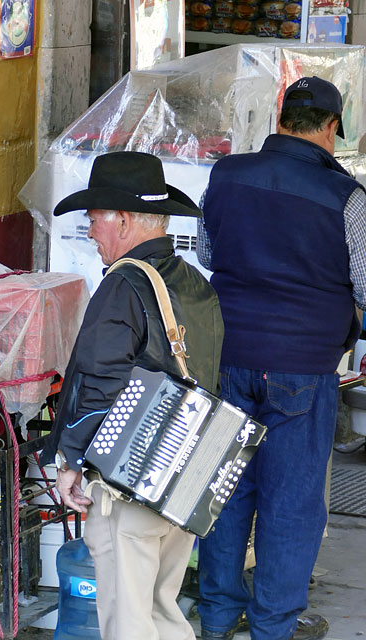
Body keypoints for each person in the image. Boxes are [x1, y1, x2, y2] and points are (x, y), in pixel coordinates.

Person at [196, 76, 366, 640]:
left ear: (280, 115)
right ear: (332, 127)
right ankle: (273, 625)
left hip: (227, 355)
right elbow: (365, 286)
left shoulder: (226, 174)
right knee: (290, 502)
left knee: (223, 489)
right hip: (302, 367)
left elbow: (206, 252)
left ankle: (218, 616)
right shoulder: (347, 197)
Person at [41, 151, 224, 640]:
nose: (90, 229)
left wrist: (73, 462)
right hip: (184, 476)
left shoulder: (122, 286)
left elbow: (101, 383)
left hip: (130, 481)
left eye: (95, 217)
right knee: (164, 609)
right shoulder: (194, 284)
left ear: (122, 219)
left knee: (127, 618)